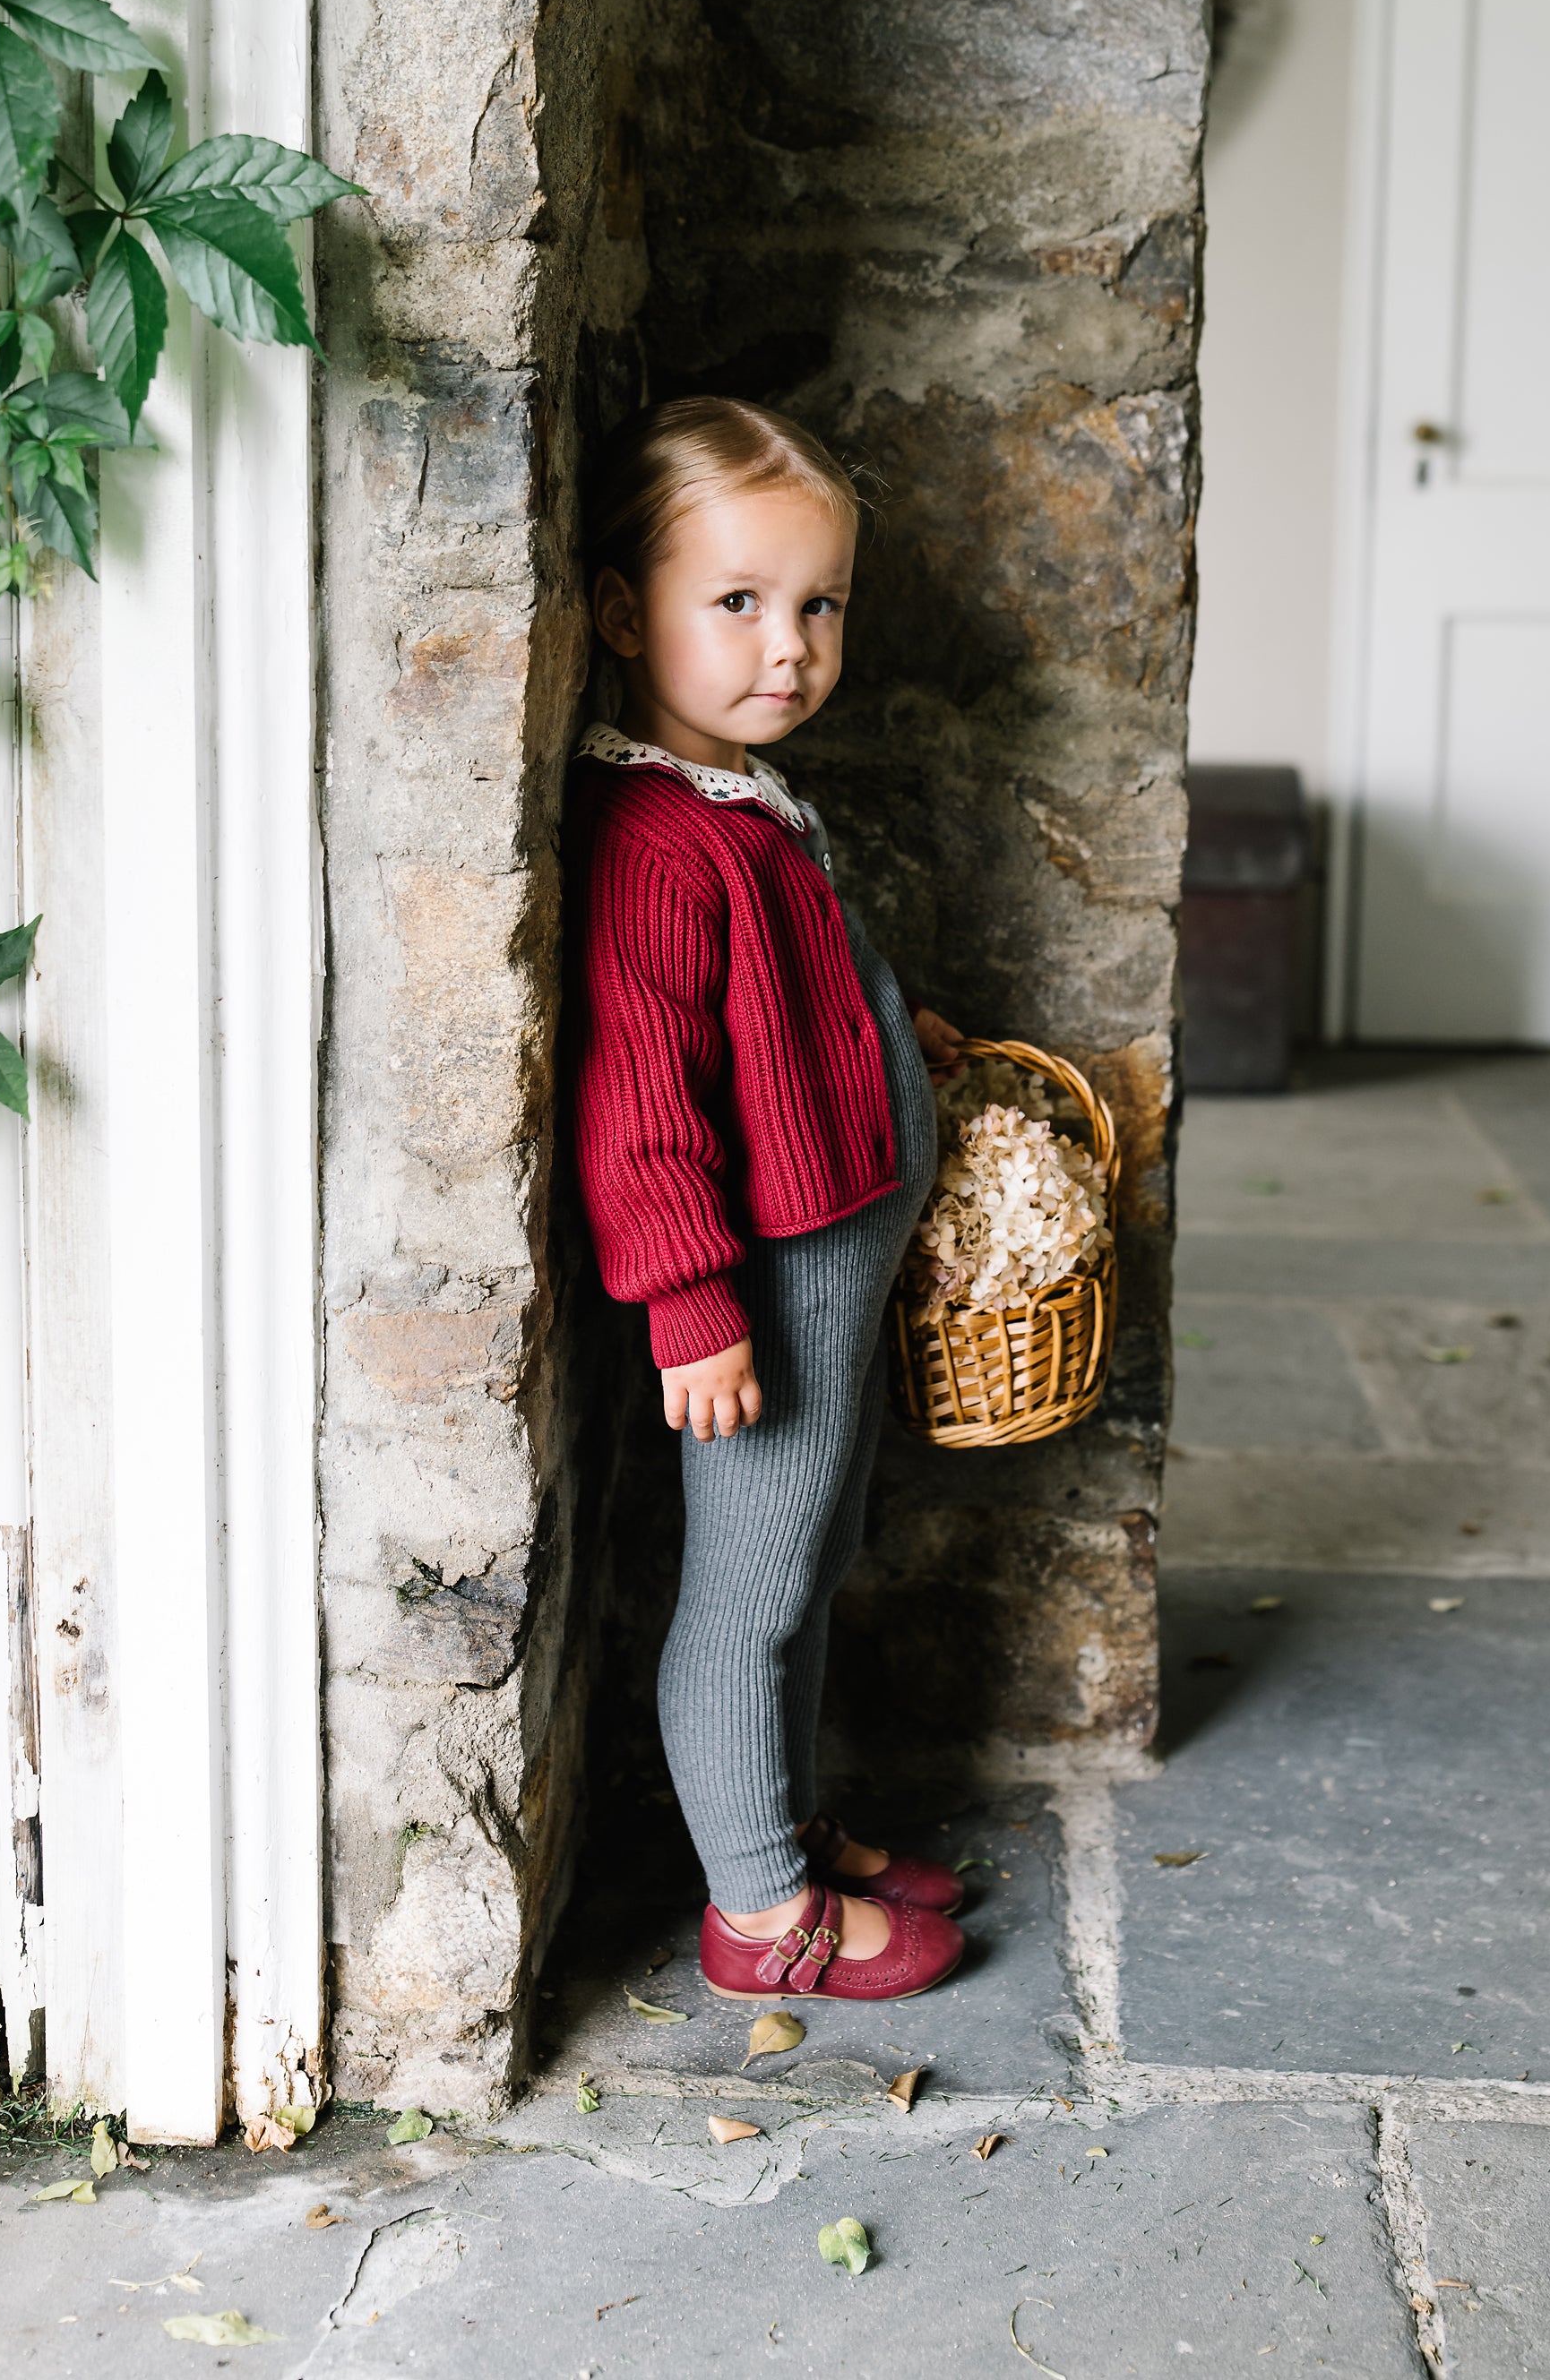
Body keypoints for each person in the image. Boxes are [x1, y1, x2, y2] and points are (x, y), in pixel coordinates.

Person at [566, 395, 971, 2005]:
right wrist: (691, 1305)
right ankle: (754, 1911)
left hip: (838, 1262)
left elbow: (794, 998)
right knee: (746, 1591)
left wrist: (897, 1035)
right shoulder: (658, 839)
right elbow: (639, 1099)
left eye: (817, 605)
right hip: (766, 1286)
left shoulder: (739, 796)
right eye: (736, 603)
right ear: (621, 612)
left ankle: (785, 1820)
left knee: (816, 1554)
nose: (787, 645)